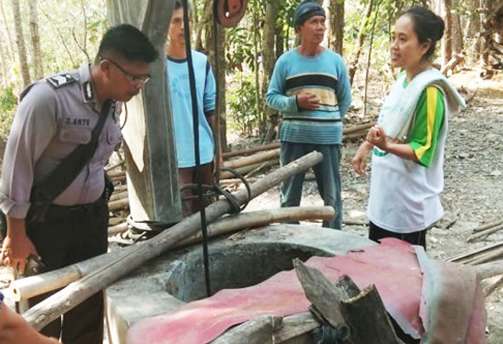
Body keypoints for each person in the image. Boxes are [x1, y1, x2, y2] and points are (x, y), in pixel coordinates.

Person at [0, 24, 157, 344]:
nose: (140, 86)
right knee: (42, 307)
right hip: (46, 225)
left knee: (88, 301)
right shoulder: (49, 99)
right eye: (134, 77)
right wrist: (16, 233)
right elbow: (17, 166)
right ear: (106, 68)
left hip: (90, 220)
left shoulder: (114, 102)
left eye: (144, 78)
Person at [352, 7, 465, 250]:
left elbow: (423, 149)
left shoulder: (430, 91)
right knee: (380, 265)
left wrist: (387, 146)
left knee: (405, 274)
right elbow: (388, 125)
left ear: (424, 46)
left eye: (403, 39)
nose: (394, 45)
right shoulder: (403, 80)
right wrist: (367, 144)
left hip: (407, 206)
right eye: (393, 37)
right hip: (386, 198)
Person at [266, 0, 352, 229]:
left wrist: (330, 120)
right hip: (294, 138)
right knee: (289, 196)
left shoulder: (335, 61)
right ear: (299, 28)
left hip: (328, 140)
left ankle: (332, 245)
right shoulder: (286, 61)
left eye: (323, 22)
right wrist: (295, 102)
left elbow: (345, 99)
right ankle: (289, 241)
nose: (320, 27)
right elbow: (271, 97)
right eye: (314, 22)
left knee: (331, 195)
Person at [166, 0, 219, 216]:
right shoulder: (156, 66)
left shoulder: (201, 62)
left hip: (203, 152)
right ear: (165, 27)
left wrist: (216, 150)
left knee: (209, 215)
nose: (182, 27)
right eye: (176, 21)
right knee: (183, 219)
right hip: (176, 156)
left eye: (187, 20)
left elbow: (210, 109)